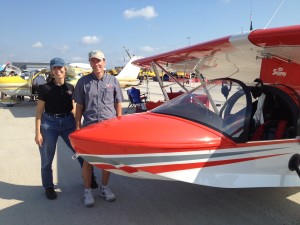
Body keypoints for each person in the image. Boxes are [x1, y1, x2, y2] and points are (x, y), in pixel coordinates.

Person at [35, 57, 97, 200]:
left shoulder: (70, 88)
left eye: (60, 67)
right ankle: (48, 187)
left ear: (64, 69)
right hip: (49, 124)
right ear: (51, 71)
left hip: (68, 122)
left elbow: (74, 108)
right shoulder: (45, 88)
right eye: (54, 68)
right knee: (47, 158)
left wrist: (78, 126)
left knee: (81, 152)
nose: (58, 71)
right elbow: (39, 112)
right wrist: (38, 133)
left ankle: (90, 178)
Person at [73, 50, 124, 207]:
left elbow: (118, 102)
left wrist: (119, 122)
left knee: (107, 160)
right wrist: (77, 126)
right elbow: (79, 105)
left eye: (99, 61)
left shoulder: (113, 80)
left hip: (109, 127)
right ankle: (87, 191)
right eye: (93, 61)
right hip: (90, 126)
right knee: (87, 161)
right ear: (90, 63)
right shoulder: (83, 82)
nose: (96, 64)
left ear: (104, 62)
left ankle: (104, 188)